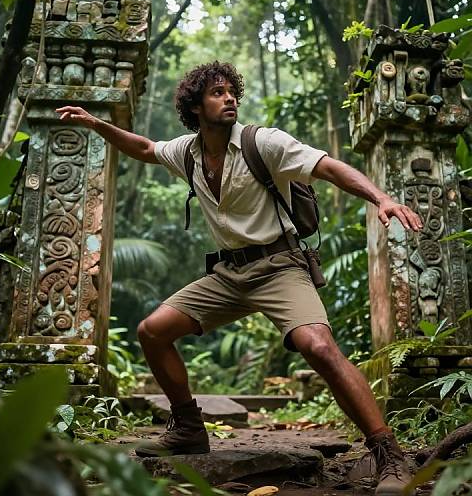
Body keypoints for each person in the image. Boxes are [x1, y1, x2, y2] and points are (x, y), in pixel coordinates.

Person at [57, 61, 422, 495]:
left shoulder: (263, 142)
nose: (229, 98)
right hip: (229, 272)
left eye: (232, 91)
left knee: (319, 346)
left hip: (280, 265)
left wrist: (381, 198)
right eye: (216, 92)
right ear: (195, 106)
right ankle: (188, 427)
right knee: (152, 331)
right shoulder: (187, 152)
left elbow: (329, 167)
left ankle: (388, 454)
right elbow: (144, 148)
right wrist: (98, 123)